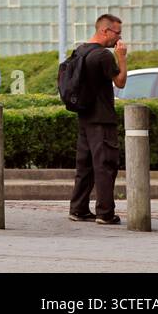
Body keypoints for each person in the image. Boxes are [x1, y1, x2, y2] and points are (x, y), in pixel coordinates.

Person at [68, 13, 128, 225]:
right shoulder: (103, 55)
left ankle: (78, 209)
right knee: (105, 165)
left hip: (84, 116)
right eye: (117, 32)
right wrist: (122, 57)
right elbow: (120, 82)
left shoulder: (81, 51)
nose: (119, 38)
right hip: (102, 118)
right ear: (105, 30)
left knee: (84, 166)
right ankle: (105, 213)